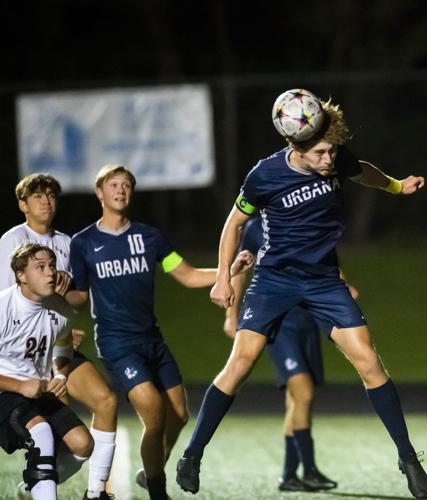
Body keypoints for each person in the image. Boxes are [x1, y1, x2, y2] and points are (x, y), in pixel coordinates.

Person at [176, 90, 427, 500]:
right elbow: (233, 225)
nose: (328, 159)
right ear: (296, 145)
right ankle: (193, 454)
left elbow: (361, 169)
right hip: (274, 279)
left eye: (332, 150)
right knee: (240, 363)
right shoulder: (264, 175)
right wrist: (223, 278)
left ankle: (407, 456)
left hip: (324, 280)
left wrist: (397, 186)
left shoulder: (336, 160)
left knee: (368, 359)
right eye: (319, 153)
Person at [65, 164, 253, 500]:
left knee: (178, 415)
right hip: (117, 343)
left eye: (126, 185)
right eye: (113, 185)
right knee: (153, 410)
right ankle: (157, 491)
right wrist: (53, 304)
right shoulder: (83, 243)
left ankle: (151, 468)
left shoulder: (150, 238)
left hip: (152, 340)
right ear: (100, 193)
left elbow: (188, 275)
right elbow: (78, 295)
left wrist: (228, 270)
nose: (120, 190)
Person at [0, 173, 118, 500]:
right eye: (38, 195)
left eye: (52, 194)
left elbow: (77, 299)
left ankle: (83, 490)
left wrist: (60, 365)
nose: (46, 200)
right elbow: (16, 301)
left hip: (46, 352)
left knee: (94, 419)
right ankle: (40, 470)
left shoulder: (68, 244)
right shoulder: (10, 244)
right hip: (11, 361)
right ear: (23, 204)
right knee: (43, 431)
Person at [224, 216, 361, 492]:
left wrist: (343, 287)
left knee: (298, 400)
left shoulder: (307, 216)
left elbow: (322, 261)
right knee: (303, 390)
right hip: (278, 322)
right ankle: (307, 469)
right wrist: (231, 315)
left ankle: (291, 474)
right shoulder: (254, 228)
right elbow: (239, 271)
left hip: (308, 320)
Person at [0, 242, 94, 500]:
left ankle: (34, 488)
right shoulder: (3, 307)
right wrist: (19, 386)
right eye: (40, 267)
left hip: (37, 394)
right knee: (41, 433)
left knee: (83, 445)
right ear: (21, 276)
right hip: (4, 392)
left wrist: (60, 375)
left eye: (52, 265)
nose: (51, 273)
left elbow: (63, 346)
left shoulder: (61, 309)